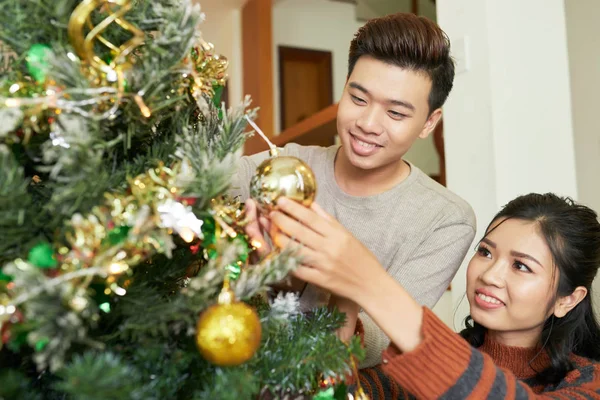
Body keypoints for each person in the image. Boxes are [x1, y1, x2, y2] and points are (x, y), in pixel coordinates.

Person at [232, 12, 476, 368]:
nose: (367, 124)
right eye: (358, 99)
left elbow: (381, 345)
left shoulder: (446, 219)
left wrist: (302, 279)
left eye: (395, 113)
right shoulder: (281, 166)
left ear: (429, 123)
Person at [266, 192, 600, 398]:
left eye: (521, 266)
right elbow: (335, 395)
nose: (489, 274)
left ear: (567, 299)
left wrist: (370, 284)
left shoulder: (590, 381)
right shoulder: (414, 365)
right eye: (485, 252)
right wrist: (345, 298)